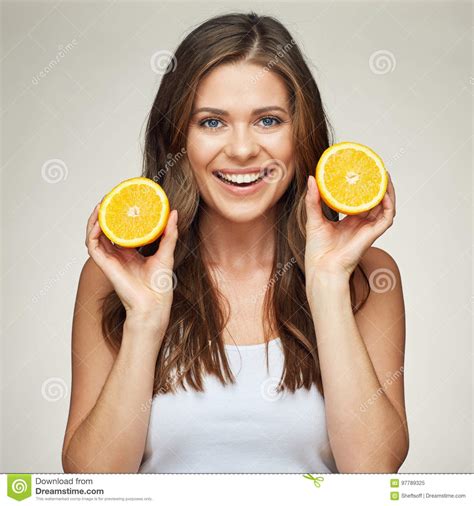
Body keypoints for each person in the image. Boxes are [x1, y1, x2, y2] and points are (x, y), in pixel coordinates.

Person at [62, 11, 408, 474]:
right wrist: (144, 320)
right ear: (176, 139)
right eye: (211, 123)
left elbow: (373, 474)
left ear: (299, 134)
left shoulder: (369, 278)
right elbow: (91, 483)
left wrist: (327, 285)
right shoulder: (113, 277)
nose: (243, 149)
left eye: (268, 120)